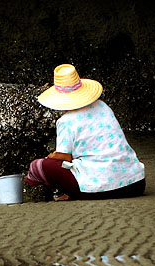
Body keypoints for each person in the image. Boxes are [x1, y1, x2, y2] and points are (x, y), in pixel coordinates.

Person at [25, 64, 146, 201]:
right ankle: (72, 191)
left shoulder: (66, 121)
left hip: (101, 189)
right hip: (136, 183)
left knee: (40, 165)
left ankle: (73, 191)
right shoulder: (102, 106)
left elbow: (65, 157)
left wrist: (51, 156)